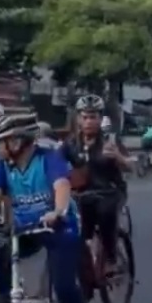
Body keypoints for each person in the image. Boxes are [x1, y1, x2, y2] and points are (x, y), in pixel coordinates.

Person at [0, 112, 90, 303]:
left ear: (17, 142)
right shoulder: (2, 167)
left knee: (63, 286)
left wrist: (58, 212)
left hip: (59, 228)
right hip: (23, 230)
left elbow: (61, 186)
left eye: (2, 141)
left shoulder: (49, 159)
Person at [60, 94, 132, 275]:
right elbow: (54, 164)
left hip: (110, 191)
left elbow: (130, 165)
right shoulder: (70, 144)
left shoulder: (110, 141)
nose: (89, 122)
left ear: (100, 119)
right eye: (85, 117)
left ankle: (111, 258)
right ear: (78, 119)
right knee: (71, 226)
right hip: (81, 193)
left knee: (105, 213)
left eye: (93, 117)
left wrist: (118, 156)